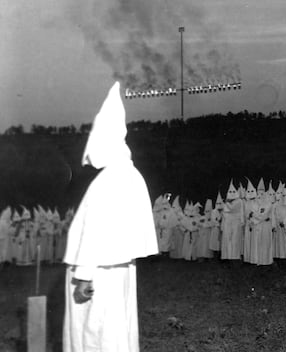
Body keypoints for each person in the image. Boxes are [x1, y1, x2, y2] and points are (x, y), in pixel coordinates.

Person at [62, 82, 158, 352]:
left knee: (94, 333)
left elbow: (96, 229)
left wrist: (83, 275)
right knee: (117, 331)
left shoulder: (109, 179)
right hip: (118, 269)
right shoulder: (131, 174)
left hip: (98, 273)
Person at [220, 181, 244, 261]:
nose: (232, 193)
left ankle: (235, 256)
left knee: (235, 239)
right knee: (227, 238)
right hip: (227, 222)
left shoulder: (239, 201)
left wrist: (226, 203)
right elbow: (224, 212)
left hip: (236, 222)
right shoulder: (228, 202)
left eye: (233, 191)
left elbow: (232, 208)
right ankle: (227, 256)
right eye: (230, 191)